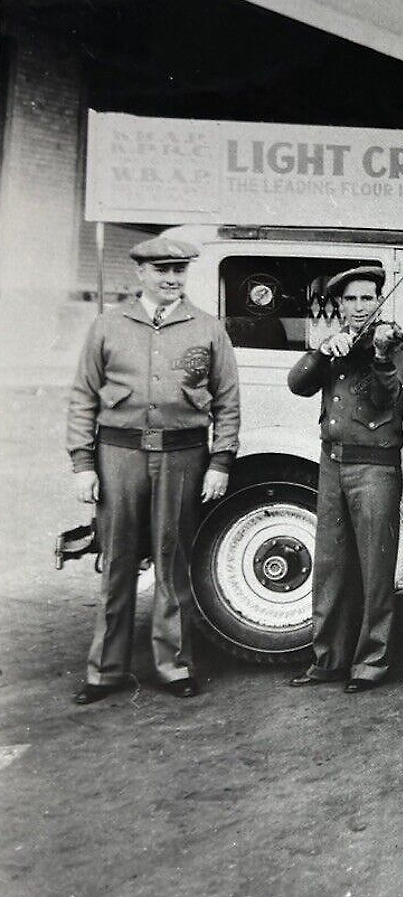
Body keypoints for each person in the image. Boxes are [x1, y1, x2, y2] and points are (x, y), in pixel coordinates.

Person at [67, 236, 240, 704]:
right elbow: (83, 396)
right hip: (118, 455)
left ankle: (174, 666)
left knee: (172, 562)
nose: (171, 280)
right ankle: (105, 671)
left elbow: (227, 401)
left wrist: (220, 461)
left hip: (183, 457)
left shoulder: (207, 329)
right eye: (161, 271)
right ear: (140, 273)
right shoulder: (108, 325)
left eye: (179, 271)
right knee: (117, 561)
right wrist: (84, 463)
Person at [286, 266, 403, 693]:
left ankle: (370, 663)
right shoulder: (336, 342)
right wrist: (324, 351)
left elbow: (384, 400)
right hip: (332, 463)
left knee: (375, 570)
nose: (360, 307)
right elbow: (298, 384)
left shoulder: (392, 346)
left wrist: (378, 357)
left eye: (367, 299)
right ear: (339, 305)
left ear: (380, 300)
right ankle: (328, 660)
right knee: (329, 567)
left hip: (374, 466)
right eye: (351, 300)